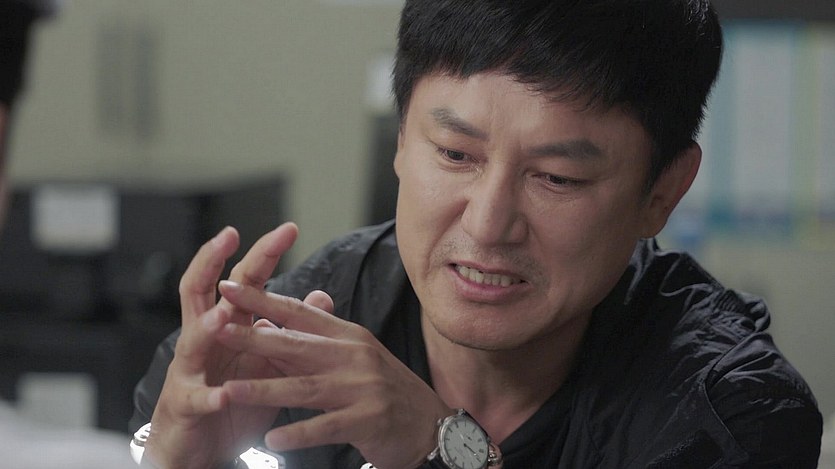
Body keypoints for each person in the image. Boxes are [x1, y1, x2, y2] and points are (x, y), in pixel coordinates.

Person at [131, 0, 823, 467]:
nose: (488, 224)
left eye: (556, 177)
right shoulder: (258, 355)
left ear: (662, 192)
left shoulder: (726, 416)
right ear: (401, 140)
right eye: (456, 154)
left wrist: (439, 449)